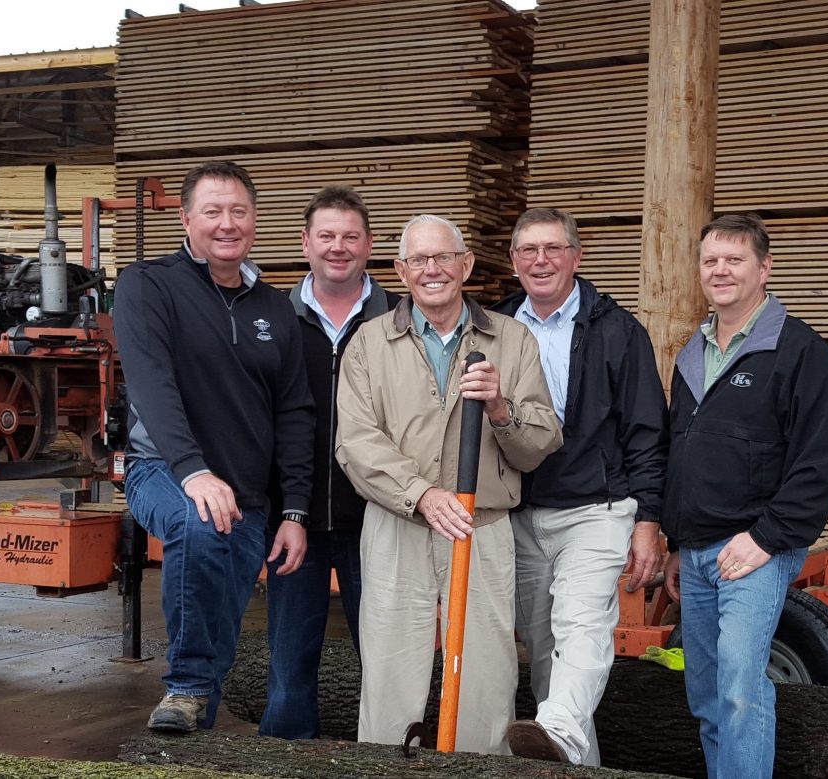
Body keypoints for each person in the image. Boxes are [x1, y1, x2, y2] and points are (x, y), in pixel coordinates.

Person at [335, 214, 563, 754]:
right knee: (390, 671)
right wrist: (421, 495)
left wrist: (502, 409)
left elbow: (540, 443)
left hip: (480, 527)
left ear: (465, 265)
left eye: (443, 258)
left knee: (486, 675)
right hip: (397, 524)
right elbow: (356, 442)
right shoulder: (369, 343)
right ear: (400, 270)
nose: (431, 270)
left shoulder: (511, 338)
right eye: (418, 260)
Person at [115, 161, 315, 733]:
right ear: (185, 219)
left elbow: (294, 414)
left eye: (239, 211)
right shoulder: (147, 285)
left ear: (254, 220)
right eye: (212, 211)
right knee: (198, 525)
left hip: (248, 493)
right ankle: (183, 687)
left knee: (222, 624)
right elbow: (153, 384)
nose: (227, 224)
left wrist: (293, 509)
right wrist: (194, 472)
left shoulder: (277, 309)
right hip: (164, 471)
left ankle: (192, 721)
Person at [661, 213, 828, 779]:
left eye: (734, 259)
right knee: (708, 694)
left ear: (764, 269)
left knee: (741, 690)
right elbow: (682, 455)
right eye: (710, 261)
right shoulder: (692, 353)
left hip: (752, 549)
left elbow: (821, 460)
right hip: (695, 553)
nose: (720, 271)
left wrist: (764, 538)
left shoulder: (799, 351)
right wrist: (677, 540)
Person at [491, 208, 669, 766]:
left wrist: (648, 520)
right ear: (514, 260)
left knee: (582, 624)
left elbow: (647, 432)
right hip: (518, 512)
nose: (541, 260)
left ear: (576, 255)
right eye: (528, 250)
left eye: (553, 248)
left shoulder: (618, 330)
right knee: (546, 654)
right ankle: (572, 757)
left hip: (597, 508)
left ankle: (562, 733)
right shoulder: (493, 328)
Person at [259, 186, 399, 739]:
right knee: (290, 665)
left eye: (350, 237)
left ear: (368, 246)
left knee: (386, 662)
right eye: (326, 236)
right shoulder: (271, 318)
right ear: (305, 243)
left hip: (380, 521)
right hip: (295, 522)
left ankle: (392, 759)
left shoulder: (398, 317)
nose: (338, 247)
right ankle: (281, 763)